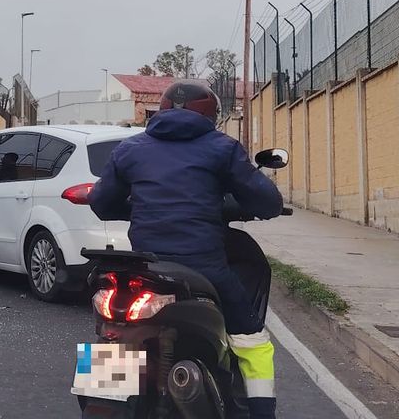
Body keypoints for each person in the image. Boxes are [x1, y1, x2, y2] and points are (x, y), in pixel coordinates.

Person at [88, 80, 283, 419]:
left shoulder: (131, 149)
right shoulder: (222, 148)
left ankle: (102, 391)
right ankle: (262, 412)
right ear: (211, 114)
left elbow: (102, 203)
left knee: (112, 337)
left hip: (143, 267)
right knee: (251, 337)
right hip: (204, 266)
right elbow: (267, 202)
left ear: (161, 110)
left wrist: (137, 205)